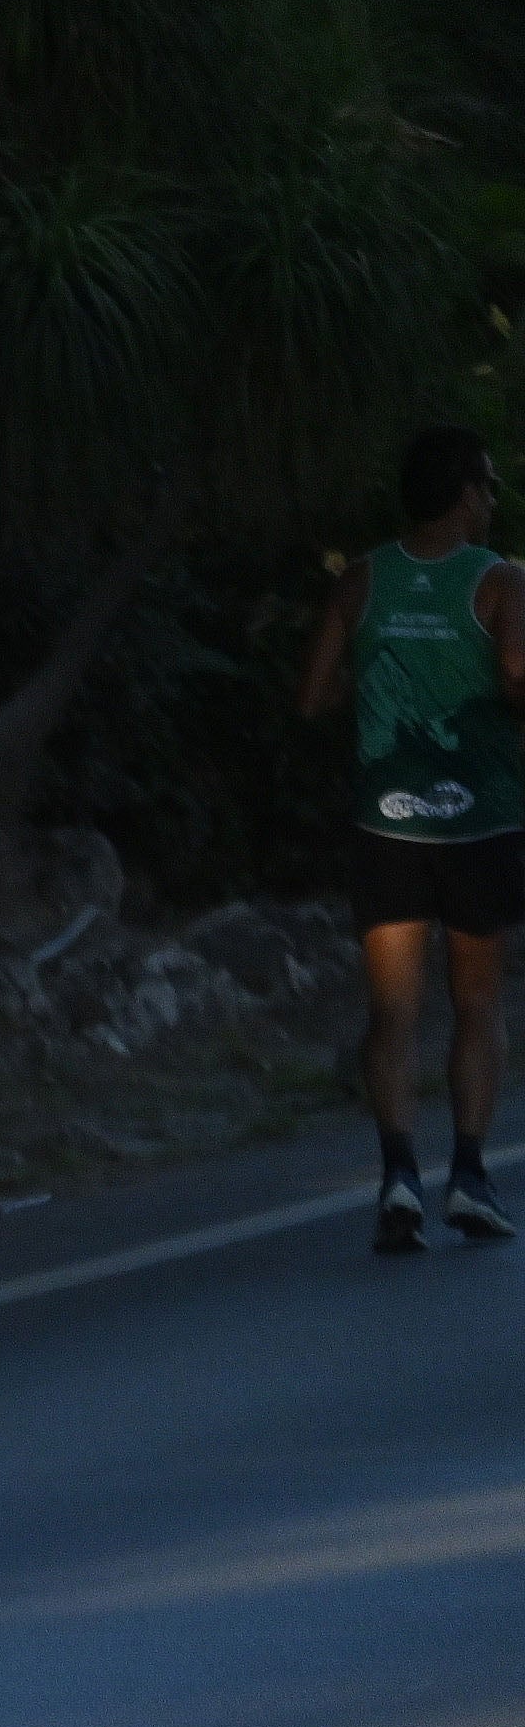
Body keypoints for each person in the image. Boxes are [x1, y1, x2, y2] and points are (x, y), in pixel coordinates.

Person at [297, 423, 519, 1250]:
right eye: (489, 485)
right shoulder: (500, 582)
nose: (493, 500)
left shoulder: (361, 580)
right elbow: (520, 681)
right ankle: (469, 1174)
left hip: (386, 824)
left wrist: (388, 689)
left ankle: (397, 1175)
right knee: (478, 1001)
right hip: (480, 822)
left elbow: (313, 696)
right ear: (464, 493)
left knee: (392, 1011)